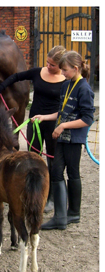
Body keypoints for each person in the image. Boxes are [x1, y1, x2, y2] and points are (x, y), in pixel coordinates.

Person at [0, 46, 66, 213]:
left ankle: (50, 197)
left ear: (61, 66)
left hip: (52, 123)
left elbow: (65, 108)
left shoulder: (65, 80)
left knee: (52, 161)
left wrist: (48, 118)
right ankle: (31, 191)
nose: (48, 66)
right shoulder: (38, 72)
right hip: (34, 122)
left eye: (52, 64)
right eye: (47, 62)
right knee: (33, 158)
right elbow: (17, 77)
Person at [31, 50, 95, 230]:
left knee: (73, 173)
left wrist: (63, 126)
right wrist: (44, 117)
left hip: (73, 139)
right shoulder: (67, 85)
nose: (63, 73)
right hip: (62, 137)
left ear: (75, 68)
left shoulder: (84, 89)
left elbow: (87, 118)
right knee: (56, 171)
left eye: (65, 70)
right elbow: (62, 112)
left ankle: (73, 213)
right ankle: (60, 217)